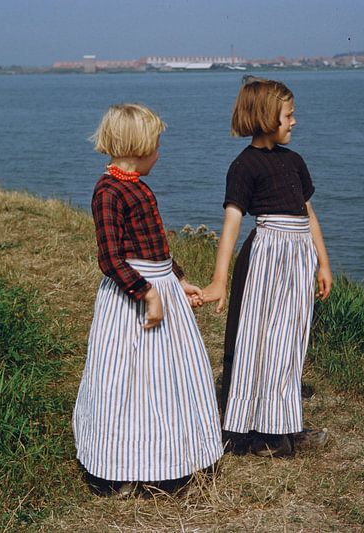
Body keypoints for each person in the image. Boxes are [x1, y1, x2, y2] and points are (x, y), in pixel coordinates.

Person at [73, 103, 223, 496]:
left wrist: (177, 281)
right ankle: (115, 466)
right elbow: (110, 258)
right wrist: (148, 293)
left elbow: (155, 247)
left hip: (159, 286)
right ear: (139, 146)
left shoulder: (138, 186)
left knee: (167, 381)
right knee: (124, 381)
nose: (160, 151)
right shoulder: (108, 192)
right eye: (157, 144)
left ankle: (169, 460)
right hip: (131, 299)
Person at [203, 77, 332, 458]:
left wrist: (323, 263)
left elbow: (309, 216)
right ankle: (260, 432)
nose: (294, 121)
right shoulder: (243, 166)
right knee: (261, 342)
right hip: (266, 261)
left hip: (298, 261)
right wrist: (219, 280)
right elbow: (231, 223)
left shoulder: (294, 162)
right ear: (265, 117)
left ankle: (284, 424)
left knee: (290, 343)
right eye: (288, 115)